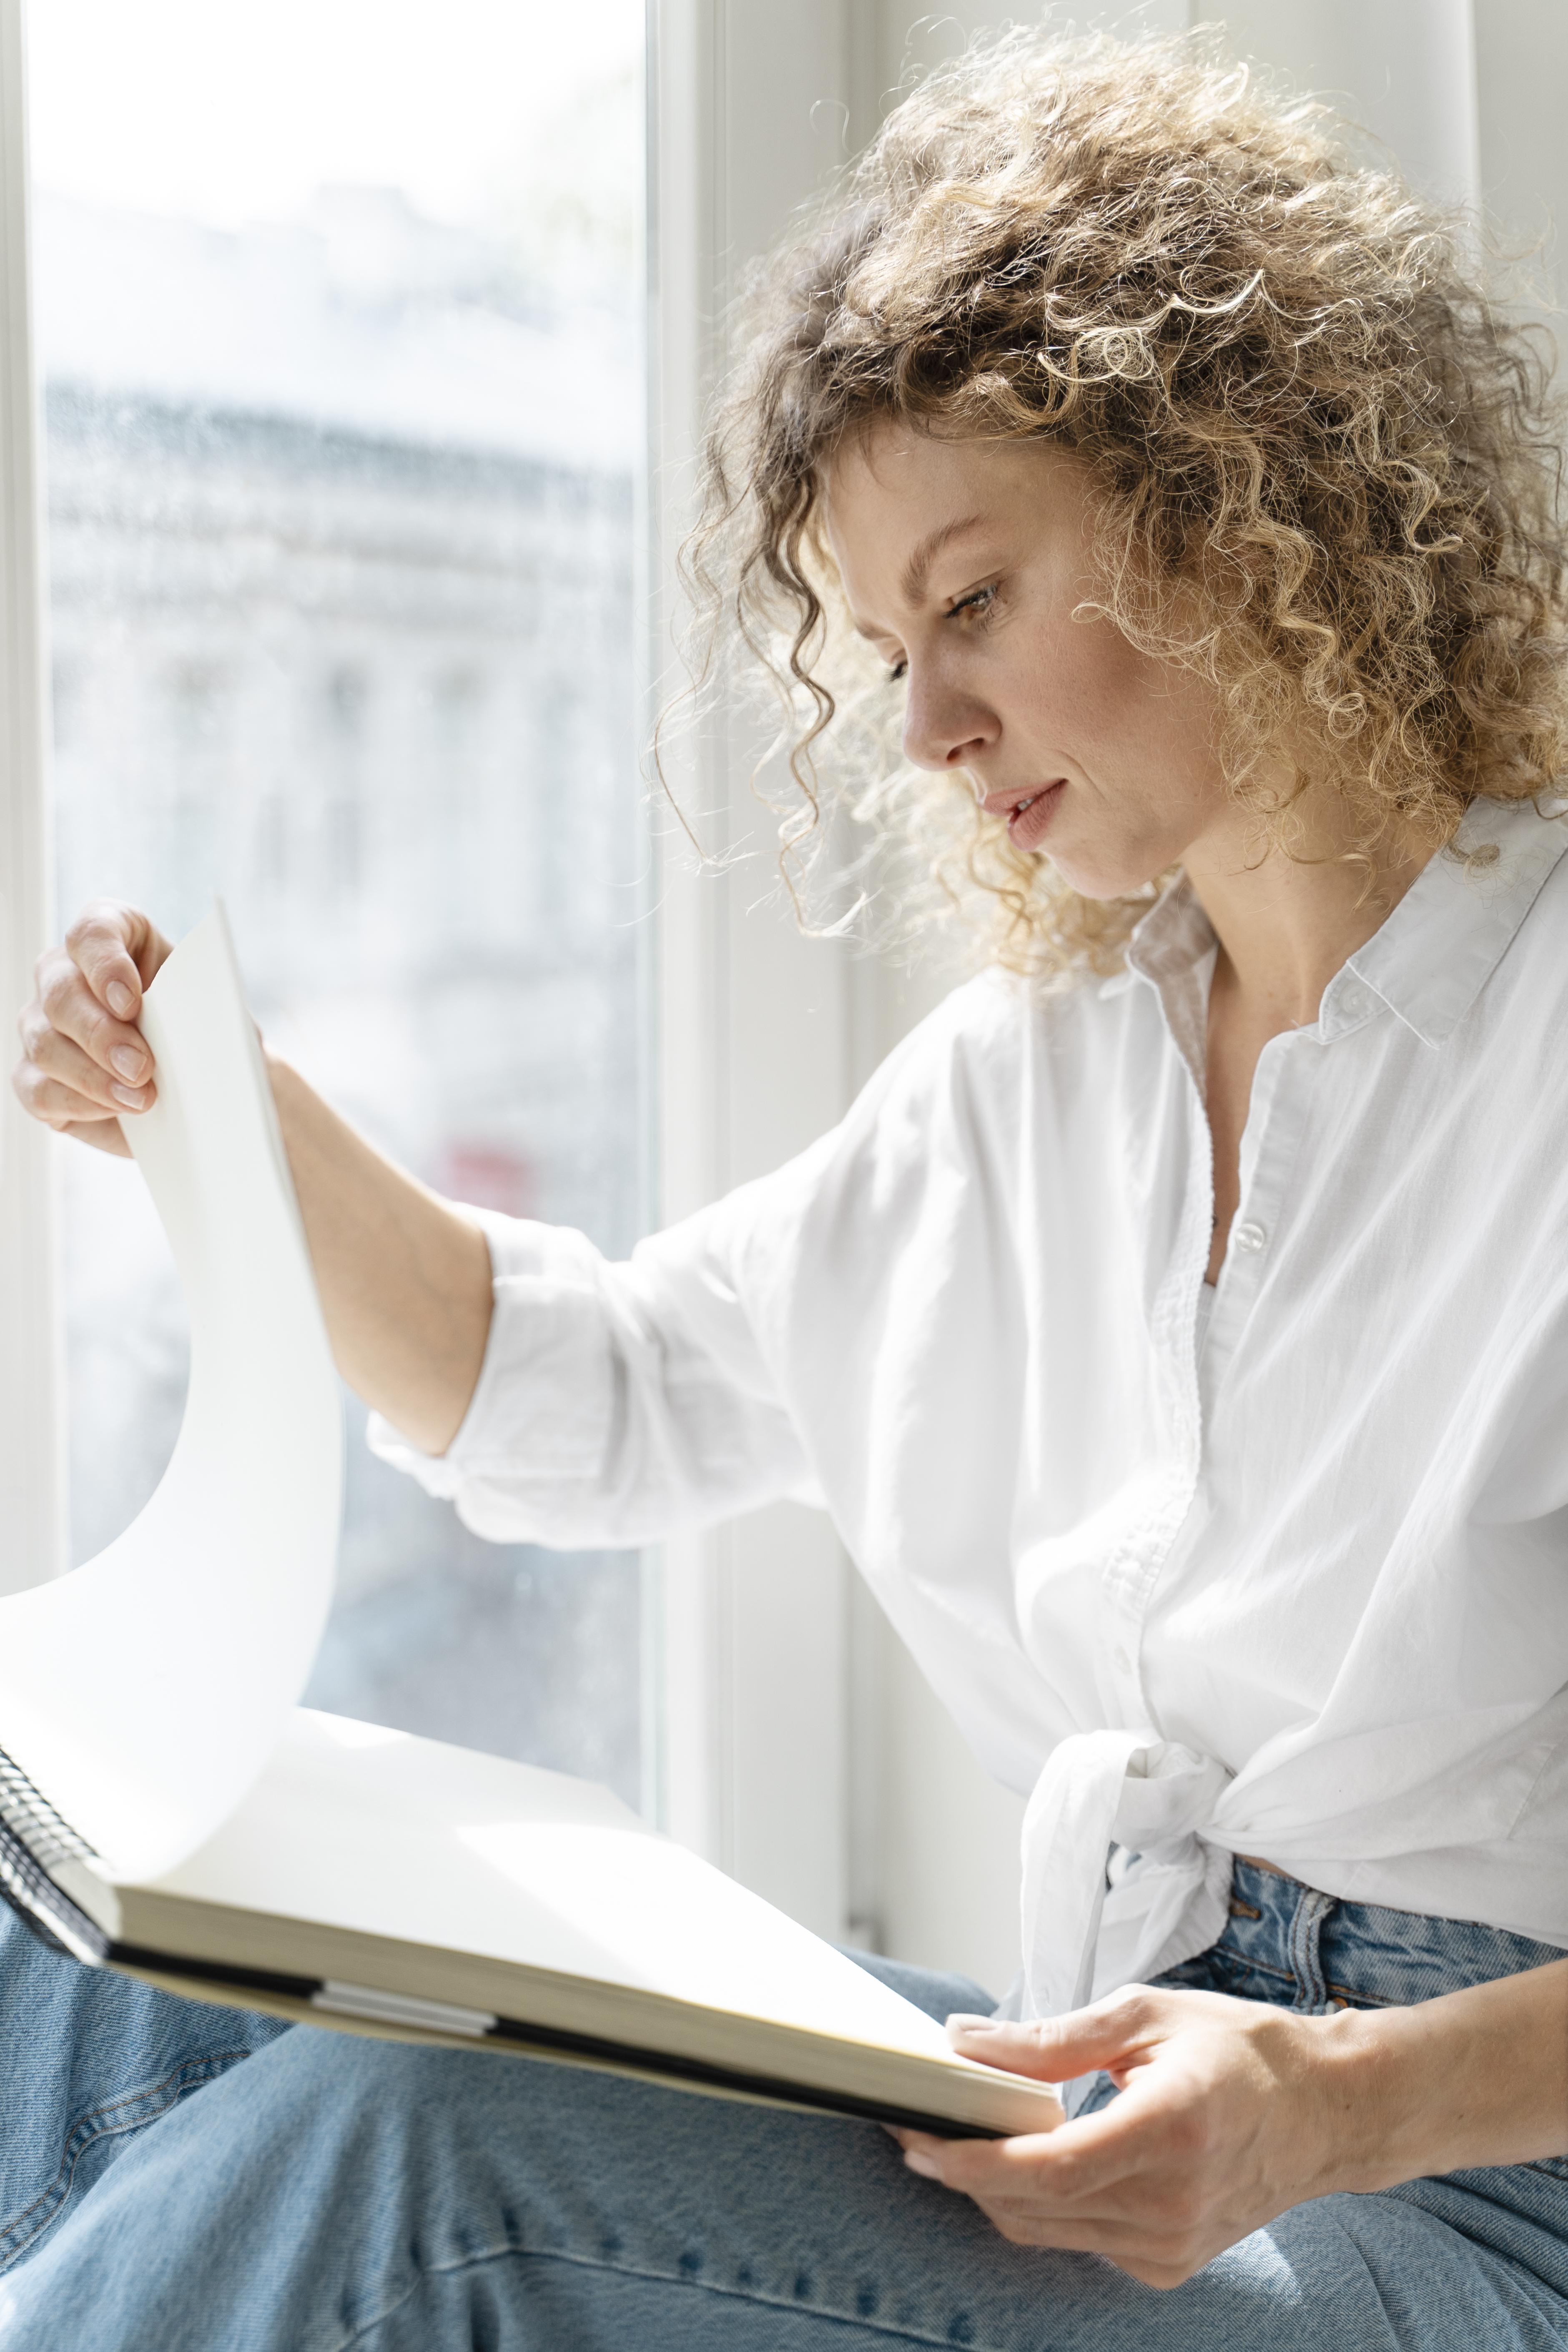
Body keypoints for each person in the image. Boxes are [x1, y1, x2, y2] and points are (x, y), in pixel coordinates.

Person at [6, 26, 1568, 2350]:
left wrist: (1326, 2101)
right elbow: (593, 1387)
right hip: (1112, 2074)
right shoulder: (1039, 1080)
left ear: (1239, 506)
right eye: (888, 650)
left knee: (425, 2141)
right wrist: (219, 1112)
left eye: (974, 601)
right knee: (97, 1960)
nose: (923, 731)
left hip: (1475, 2190)